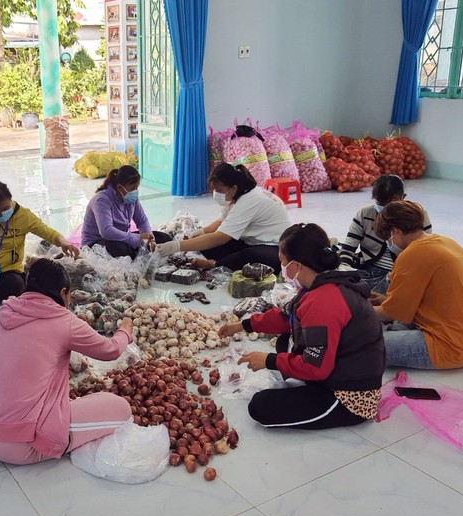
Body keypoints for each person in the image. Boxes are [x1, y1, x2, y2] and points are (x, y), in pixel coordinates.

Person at [0, 258, 133, 465]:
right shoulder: (64, 320)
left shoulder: (5, 311)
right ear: (64, 293)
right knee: (120, 407)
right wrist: (125, 330)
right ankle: (36, 439)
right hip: (17, 446)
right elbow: (111, 350)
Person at [219, 223, 385, 429]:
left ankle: (325, 400)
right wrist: (244, 325)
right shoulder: (318, 284)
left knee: (260, 407)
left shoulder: (324, 300)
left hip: (349, 396)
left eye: (282, 261)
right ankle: (303, 384)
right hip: (337, 370)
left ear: (296, 266)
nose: (282, 268)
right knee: (283, 341)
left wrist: (268, 360)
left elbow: (316, 367)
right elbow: (284, 317)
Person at [371, 200, 463, 369]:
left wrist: (356, 310)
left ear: (395, 231)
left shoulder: (412, 254)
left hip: (453, 347)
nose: (389, 243)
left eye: (388, 238)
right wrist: (387, 300)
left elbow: (393, 312)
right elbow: (427, 298)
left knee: (364, 347)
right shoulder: (447, 243)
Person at [156, 163, 292, 273]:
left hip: (276, 248)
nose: (216, 194)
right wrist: (200, 233)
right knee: (205, 244)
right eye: (214, 190)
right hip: (251, 241)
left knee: (248, 255)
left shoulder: (249, 200)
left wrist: (175, 246)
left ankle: (215, 264)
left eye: (219, 191)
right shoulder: (233, 196)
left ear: (233, 188)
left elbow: (221, 237)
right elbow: (220, 222)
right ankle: (228, 262)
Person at [338, 174, 432, 291]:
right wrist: (343, 270)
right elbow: (348, 248)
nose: (384, 209)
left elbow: (424, 252)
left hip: (399, 273)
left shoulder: (417, 215)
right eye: (380, 203)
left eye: (389, 204)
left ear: (403, 198)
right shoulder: (365, 214)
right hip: (367, 269)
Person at [80, 165, 172, 259]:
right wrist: (137, 238)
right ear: (120, 187)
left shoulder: (131, 199)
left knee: (164, 238)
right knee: (120, 249)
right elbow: (106, 231)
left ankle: (138, 251)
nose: (135, 191)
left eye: (137, 188)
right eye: (133, 188)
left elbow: (142, 221)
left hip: (122, 238)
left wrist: (150, 239)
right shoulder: (101, 200)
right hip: (98, 242)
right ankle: (136, 252)